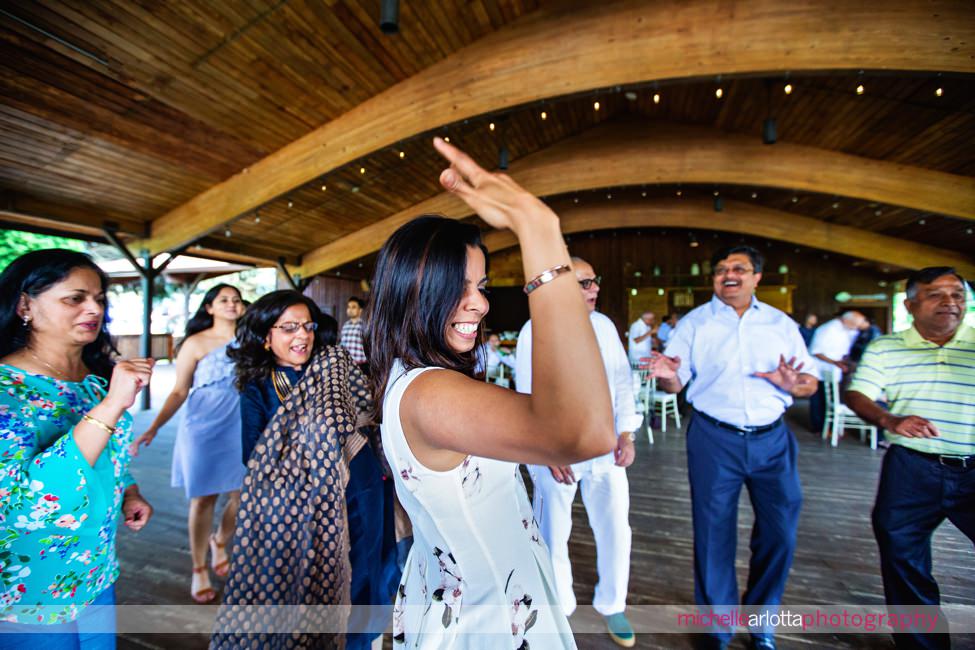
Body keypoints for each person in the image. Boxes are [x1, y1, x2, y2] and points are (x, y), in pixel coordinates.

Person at [367, 137, 615, 648]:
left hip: (461, 593)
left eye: (480, 287)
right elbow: (587, 432)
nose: (477, 305)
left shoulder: (410, 376)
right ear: (415, 290)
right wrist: (539, 228)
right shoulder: (432, 394)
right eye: (456, 286)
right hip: (487, 620)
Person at [648, 245, 818, 650]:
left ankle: (762, 621)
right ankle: (717, 627)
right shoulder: (694, 323)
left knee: (781, 532)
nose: (729, 274)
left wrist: (791, 384)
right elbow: (676, 381)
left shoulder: (780, 324)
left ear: (757, 277)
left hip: (773, 439)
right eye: (722, 269)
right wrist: (666, 376)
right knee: (713, 533)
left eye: (739, 268)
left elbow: (809, 381)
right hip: (713, 438)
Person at [212, 290, 397, 650]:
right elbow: (255, 455)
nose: (303, 336)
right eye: (290, 328)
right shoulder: (260, 389)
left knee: (366, 575)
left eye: (308, 326)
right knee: (318, 584)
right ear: (266, 337)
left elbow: (369, 415)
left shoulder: (334, 368)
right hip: (305, 509)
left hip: (363, 495)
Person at [0, 249, 154, 648]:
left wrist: (129, 490)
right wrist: (111, 406)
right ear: (24, 305)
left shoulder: (95, 383)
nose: (94, 308)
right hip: (29, 582)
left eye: (100, 299)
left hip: (94, 570)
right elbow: (22, 500)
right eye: (75, 298)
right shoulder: (6, 391)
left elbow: (108, 455)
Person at [516, 257, 642, 647]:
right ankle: (560, 607)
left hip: (605, 448)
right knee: (553, 532)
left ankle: (613, 603)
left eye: (594, 281)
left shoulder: (604, 326)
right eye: (586, 283)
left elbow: (622, 382)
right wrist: (544, 452)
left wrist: (627, 433)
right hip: (556, 453)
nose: (595, 289)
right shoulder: (533, 331)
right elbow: (525, 397)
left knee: (616, 528)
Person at [845, 267, 974, 650]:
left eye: (958, 294)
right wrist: (889, 418)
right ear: (910, 304)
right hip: (911, 467)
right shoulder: (887, 347)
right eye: (937, 294)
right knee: (902, 554)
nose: (950, 302)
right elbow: (858, 394)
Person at [130, 284, 246, 603]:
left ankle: (220, 540)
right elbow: (180, 390)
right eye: (224, 300)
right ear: (209, 308)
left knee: (243, 495)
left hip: (240, 420)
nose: (232, 304)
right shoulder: (195, 343)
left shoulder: (251, 340)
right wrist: (153, 428)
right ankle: (199, 569)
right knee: (203, 498)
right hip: (204, 424)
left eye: (236, 299)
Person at [807, 310, 867, 433]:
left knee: (830, 399)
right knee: (819, 401)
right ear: (847, 321)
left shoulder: (846, 329)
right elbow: (816, 351)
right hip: (820, 369)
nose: (856, 328)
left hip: (834, 370)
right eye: (854, 325)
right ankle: (819, 428)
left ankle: (831, 427)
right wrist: (835, 362)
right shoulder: (828, 329)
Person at [341, 296, 369, 375]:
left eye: (353, 307)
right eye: (349, 307)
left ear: (360, 310)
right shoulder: (345, 325)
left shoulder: (365, 326)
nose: (350, 309)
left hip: (362, 366)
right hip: (347, 365)